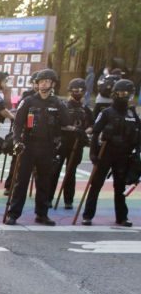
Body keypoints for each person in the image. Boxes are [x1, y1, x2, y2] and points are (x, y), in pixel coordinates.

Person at [4, 69, 71, 225]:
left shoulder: (57, 103)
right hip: (29, 145)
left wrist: (62, 106)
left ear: (53, 84)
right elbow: (18, 123)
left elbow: (66, 122)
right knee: (21, 182)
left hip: (48, 147)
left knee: (44, 182)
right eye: (41, 82)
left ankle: (42, 214)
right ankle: (13, 214)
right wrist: (16, 140)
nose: (43, 85)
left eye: (47, 82)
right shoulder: (28, 101)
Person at [81, 78, 138, 227]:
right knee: (96, 185)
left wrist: (137, 154)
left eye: (126, 93)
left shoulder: (133, 114)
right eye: (120, 93)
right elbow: (95, 132)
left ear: (131, 95)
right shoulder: (106, 112)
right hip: (105, 154)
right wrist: (93, 154)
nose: (123, 96)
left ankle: (122, 217)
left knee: (120, 187)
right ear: (114, 94)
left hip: (124, 156)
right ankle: (87, 215)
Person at [50, 78, 93, 210]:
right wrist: (74, 129)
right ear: (70, 91)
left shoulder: (86, 109)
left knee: (71, 172)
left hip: (77, 143)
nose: (77, 93)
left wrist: (85, 132)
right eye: (75, 91)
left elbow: (92, 125)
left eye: (80, 91)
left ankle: (68, 199)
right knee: (54, 170)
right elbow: (58, 124)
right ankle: (48, 198)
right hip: (63, 142)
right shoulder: (63, 106)